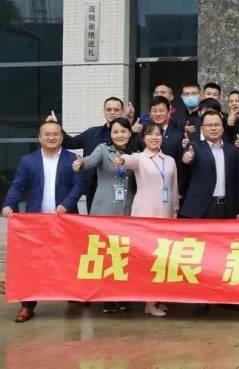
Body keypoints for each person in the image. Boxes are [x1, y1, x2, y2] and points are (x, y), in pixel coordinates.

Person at [2, 120, 87, 323]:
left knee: (70, 259)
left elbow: (79, 185)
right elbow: (18, 185)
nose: (51, 137)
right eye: (47, 134)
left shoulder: (73, 159)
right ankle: (27, 305)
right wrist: (8, 204)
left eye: (56, 134)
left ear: (62, 137)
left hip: (66, 220)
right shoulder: (28, 161)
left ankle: (73, 294)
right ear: (40, 137)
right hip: (36, 222)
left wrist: (66, 204)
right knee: (32, 263)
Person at [72, 117, 137, 314]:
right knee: (107, 254)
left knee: (125, 253)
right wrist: (80, 164)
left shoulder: (136, 152)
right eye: (116, 132)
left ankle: (124, 296)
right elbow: (89, 162)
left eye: (123, 131)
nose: (120, 135)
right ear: (110, 134)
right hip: (105, 208)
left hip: (128, 208)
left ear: (130, 133)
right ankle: (107, 296)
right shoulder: (102, 149)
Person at [116, 123, 179, 317]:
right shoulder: (140, 158)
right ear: (143, 139)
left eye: (158, 134)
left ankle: (157, 298)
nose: (154, 138)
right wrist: (121, 160)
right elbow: (128, 160)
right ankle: (149, 302)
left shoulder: (169, 160)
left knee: (163, 257)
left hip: (166, 213)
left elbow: (174, 187)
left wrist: (175, 210)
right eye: (150, 134)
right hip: (145, 212)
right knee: (148, 258)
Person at [48, 97, 132, 213]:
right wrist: (56, 127)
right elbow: (70, 143)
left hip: (124, 186)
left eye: (116, 110)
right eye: (108, 109)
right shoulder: (92, 133)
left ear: (122, 112)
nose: (112, 112)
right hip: (94, 186)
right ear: (104, 111)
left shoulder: (130, 136)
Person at [180, 110, 239, 220]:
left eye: (217, 125)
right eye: (209, 125)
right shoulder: (194, 147)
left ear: (223, 127)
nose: (213, 128)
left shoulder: (232, 150)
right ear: (202, 129)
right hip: (200, 208)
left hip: (226, 208)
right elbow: (186, 158)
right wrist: (187, 158)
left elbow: (238, 182)